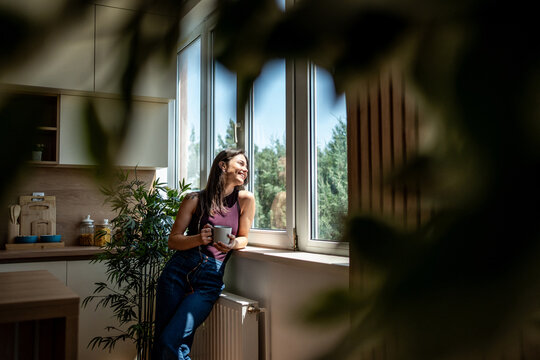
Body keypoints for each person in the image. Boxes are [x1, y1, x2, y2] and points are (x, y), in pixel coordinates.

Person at [152, 149, 255, 360]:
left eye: (246, 166)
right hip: (178, 272)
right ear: (222, 165)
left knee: (170, 340)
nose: (245, 169)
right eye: (240, 163)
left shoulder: (245, 199)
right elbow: (173, 240)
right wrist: (199, 239)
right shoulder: (194, 199)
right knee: (166, 342)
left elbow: (244, 237)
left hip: (210, 279)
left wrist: (233, 243)